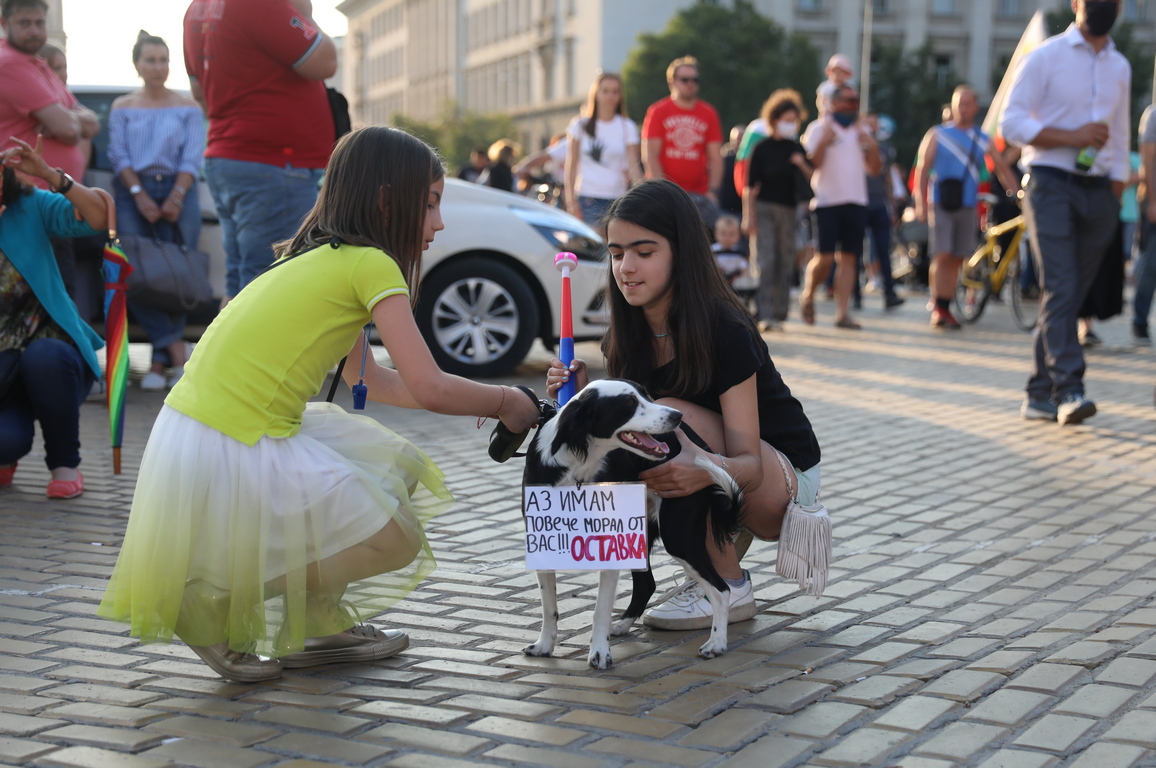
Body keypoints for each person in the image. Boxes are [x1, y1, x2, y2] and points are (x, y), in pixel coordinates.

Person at [97, 127, 540, 683]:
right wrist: (506, 401)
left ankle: (317, 624)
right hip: (233, 437)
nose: (439, 223)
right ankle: (208, 606)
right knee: (392, 536)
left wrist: (496, 402)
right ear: (387, 202)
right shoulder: (370, 264)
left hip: (201, 430)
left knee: (393, 468)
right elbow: (428, 385)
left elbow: (371, 379)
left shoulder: (320, 257)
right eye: (430, 205)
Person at [546, 179, 821, 631]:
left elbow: (749, 463)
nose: (626, 268)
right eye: (616, 254)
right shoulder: (626, 334)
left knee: (668, 420)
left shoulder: (724, 327)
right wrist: (583, 397)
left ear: (681, 251)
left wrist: (702, 469)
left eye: (644, 252)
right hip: (713, 463)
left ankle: (729, 588)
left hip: (781, 480)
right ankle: (704, 570)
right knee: (638, 433)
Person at [1001, 0, 1130, 426]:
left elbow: (1121, 131)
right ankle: (1069, 388)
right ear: (1075, 3)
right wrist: (1069, 137)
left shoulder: (1120, 66)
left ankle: (1038, 393)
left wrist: (1115, 186)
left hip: (1099, 193)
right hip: (1050, 183)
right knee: (1061, 284)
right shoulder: (1046, 56)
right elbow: (1011, 124)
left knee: (1069, 293)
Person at [184, 0, 338, 304]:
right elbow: (325, 61)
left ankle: (228, 351)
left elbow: (200, 92)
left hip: (234, 157)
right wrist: (304, 12)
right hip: (273, 163)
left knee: (242, 280)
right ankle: (255, 353)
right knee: (271, 283)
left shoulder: (197, 9)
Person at [0, 136, 108, 499]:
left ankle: (65, 465)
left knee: (44, 357)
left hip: (52, 357)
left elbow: (98, 218)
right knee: (5, 442)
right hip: (3, 372)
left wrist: (51, 176)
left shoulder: (28, 204)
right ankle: (6, 456)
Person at [108, 31, 206, 391]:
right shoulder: (123, 106)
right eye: (150, 60)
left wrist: (176, 196)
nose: (158, 67)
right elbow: (118, 154)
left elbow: (192, 155)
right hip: (134, 190)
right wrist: (139, 195)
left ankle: (160, 361)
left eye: (164, 60)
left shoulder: (188, 106)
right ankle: (176, 352)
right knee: (134, 273)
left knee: (179, 274)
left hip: (181, 189)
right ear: (137, 64)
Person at [1, 0, 100, 299]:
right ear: (5, 25)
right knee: (45, 297)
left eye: (39, 22)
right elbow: (71, 132)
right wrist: (68, 120)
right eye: (24, 23)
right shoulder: (10, 65)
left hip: (54, 197)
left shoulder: (38, 64)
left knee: (60, 292)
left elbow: (91, 122)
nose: (34, 30)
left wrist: (65, 119)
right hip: (27, 201)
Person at [915, 85, 1016, 329]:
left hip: (968, 204)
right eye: (959, 103)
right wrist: (920, 202)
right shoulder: (937, 134)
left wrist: (1018, 192)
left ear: (975, 107)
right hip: (941, 202)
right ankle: (939, 308)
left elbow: (1002, 168)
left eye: (968, 104)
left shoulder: (981, 138)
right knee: (942, 253)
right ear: (953, 105)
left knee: (958, 257)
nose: (963, 108)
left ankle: (946, 306)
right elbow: (922, 169)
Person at [799, 85, 881, 330]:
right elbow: (812, 165)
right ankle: (809, 294)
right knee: (824, 258)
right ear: (833, 103)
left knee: (849, 259)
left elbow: (875, 169)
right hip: (826, 202)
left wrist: (873, 146)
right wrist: (824, 141)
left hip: (856, 201)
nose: (852, 105)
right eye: (846, 100)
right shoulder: (818, 128)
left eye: (855, 100)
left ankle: (842, 313)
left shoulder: (862, 130)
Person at [742, 89, 812, 330]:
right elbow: (749, 186)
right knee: (766, 259)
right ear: (774, 120)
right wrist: (747, 216)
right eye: (786, 120)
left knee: (785, 259)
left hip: (790, 210)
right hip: (764, 209)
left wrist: (801, 164)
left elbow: (813, 177)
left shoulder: (796, 148)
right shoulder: (761, 148)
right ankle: (765, 313)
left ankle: (780, 313)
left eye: (794, 121)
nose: (790, 125)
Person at [642, 56, 723, 229]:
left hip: (699, 196)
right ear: (672, 82)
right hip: (667, 194)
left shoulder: (708, 113)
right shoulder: (658, 111)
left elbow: (716, 157)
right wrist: (661, 189)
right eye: (685, 79)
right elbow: (650, 155)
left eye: (695, 80)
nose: (690, 84)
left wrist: (713, 192)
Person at [564, 71, 642, 226]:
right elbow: (571, 164)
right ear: (596, 93)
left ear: (620, 96)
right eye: (605, 91)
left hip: (617, 198)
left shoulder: (627, 127)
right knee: (593, 246)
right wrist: (570, 200)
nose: (610, 96)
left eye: (615, 92)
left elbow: (634, 167)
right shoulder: (580, 125)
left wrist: (644, 194)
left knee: (613, 247)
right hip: (587, 197)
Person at [862, 114, 905, 311]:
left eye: (874, 124)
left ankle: (890, 292)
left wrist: (892, 206)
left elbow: (887, 178)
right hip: (859, 203)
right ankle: (854, 296)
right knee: (853, 252)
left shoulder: (884, 149)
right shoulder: (853, 146)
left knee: (883, 249)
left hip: (879, 204)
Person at [1133, 102, 1156, 345]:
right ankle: (1140, 320)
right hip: (1154, 201)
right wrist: (1152, 201)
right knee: (1151, 265)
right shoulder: (1154, 115)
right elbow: (1147, 161)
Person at [712, 214, 749, 285]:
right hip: (716, 283)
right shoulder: (712, 251)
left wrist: (741, 279)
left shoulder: (739, 253)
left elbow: (744, 269)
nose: (727, 238)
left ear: (738, 236)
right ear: (716, 234)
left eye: (731, 234)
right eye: (723, 234)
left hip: (735, 284)